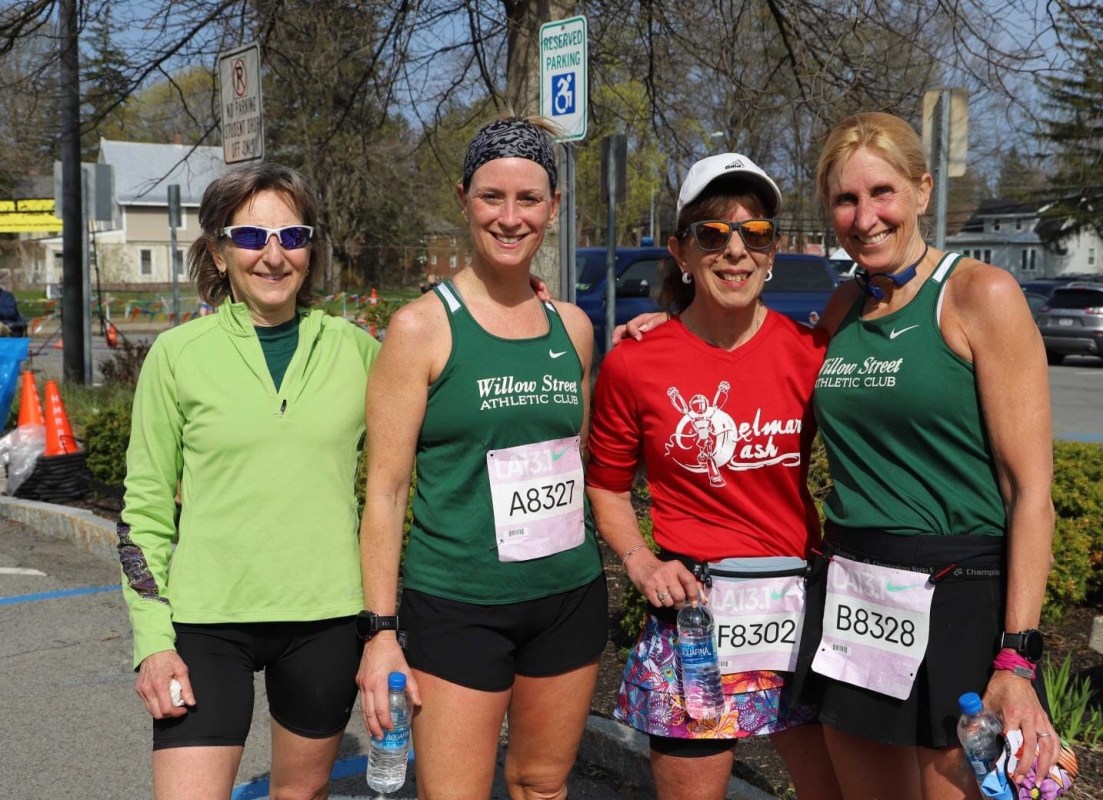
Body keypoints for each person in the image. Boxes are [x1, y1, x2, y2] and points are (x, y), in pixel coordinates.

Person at [617, 113, 1062, 800]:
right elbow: (746, 360)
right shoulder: (846, 304)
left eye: (882, 192)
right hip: (854, 593)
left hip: (957, 593)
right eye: (845, 200)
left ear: (922, 189)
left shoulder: (983, 295)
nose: (865, 216)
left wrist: (1018, 656)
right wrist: (668, 327)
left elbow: (1031, 494)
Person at [356, 114, 606, 800]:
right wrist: (380, 632)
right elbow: (386, 491)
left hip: (567, 597)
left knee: (542, 786)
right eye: (492, 196)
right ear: (464, 198)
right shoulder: (419, 328)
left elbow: (575, 454)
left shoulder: (573, 328)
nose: (510, 217)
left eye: (529, 199)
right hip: (459, 605)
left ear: (553, 206)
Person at [117, 162, 380, 799]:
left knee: (301, 794)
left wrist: (514, 302)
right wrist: (153, 642)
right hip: (205, 622)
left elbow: (446, 396)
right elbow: (144, 510)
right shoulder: (177, 355)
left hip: (325, 618)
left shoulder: (357, 349)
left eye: (292, 237)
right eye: (252, 237)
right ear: (219, 252)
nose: (273, 255)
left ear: (310, 250)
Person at [586, 153, 840, 800]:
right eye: (712, 234)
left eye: (755, 233)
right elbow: (607, 485)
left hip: (798, 609)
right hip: (694, 616)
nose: (735, 251)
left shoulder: (811, 354)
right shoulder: (635, 363)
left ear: (773, 250)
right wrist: (641, 562)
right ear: (681, 252)